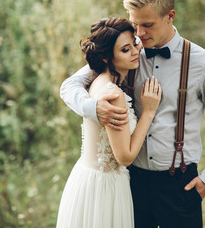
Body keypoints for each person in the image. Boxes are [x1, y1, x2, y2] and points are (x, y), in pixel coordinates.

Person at [59, 0, 205, 227]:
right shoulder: (126, 52)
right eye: (135, 25)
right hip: (131, 183)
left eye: (148, 25)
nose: (140, 35)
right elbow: (70, 85)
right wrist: (94, 109)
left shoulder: (204, 65)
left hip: (179, 184)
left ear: (170, 16)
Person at [56, 17, 161, 228]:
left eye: (134, 44)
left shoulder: (97, 82)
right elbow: (125, 157)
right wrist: (149, 111)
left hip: (86, 179)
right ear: (106, 58)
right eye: (125, 50)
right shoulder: (113, 94)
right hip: (106, 189)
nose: (134, 52)